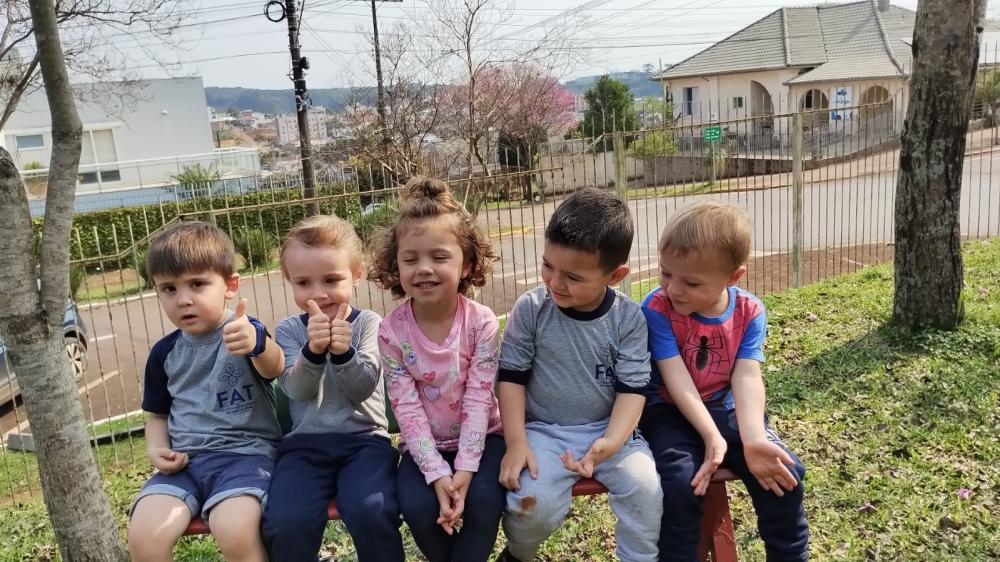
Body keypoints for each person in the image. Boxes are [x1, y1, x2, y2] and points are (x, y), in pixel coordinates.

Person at [497, 188, 662, 562]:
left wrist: (614, 441)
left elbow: (633, 389)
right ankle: (518, 556)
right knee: (528, 504)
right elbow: (510, 378)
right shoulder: (532, 309)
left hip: (611, 429)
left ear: (616, 275)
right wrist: (516, 442)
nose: (555, 282)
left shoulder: (628, 320)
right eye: (547, 266)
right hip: (544, 432)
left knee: (646, 489)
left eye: (572, 276)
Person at [639, 201, 809, 561]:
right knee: (681, 485)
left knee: (786, 474)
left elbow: (747, 376)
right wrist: (711, 437)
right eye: (666, 273)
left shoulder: (750, 312)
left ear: (733, 277)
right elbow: (675, 376)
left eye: (691, 282)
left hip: (725, 408)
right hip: (669, 410)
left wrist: (753, 439)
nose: (673, 289)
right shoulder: (656, 308)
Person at [127, 221, 284, 562]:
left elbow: (275, 368)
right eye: (169, 289)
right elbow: (158, 414)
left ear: (230, 285)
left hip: (246, 457)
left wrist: (258, 344)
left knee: (236, 531)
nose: (183, 300)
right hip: (184, 465)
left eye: (197, 284)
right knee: (143, 537)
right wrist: (157, 450)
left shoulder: (243, 332)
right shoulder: (164, 353)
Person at [370, 176, 505, 562]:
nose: (423, 269)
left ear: (466, 265)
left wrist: (463, 469)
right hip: (422, 447)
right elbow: (406, 408)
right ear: (395, 266)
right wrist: (436, 473)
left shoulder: (481, 324)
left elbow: (480, 398)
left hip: (482, 442)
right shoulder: (392, 331)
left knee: (482, 500)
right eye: (410, 259)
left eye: (439, 257)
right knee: (415, 505)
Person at [261, 215, 405, 562]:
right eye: (304, 283)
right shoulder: (291, 330)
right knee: (286, 520)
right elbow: (294, 389)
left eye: (331, 279)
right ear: (290, 283)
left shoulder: (369, 323)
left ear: (356, 274)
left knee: (372, 509)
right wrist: (312, 352)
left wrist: (343, 354)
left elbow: (364, 387)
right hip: (304, 447)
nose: (318, 293)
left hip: (365, 442)